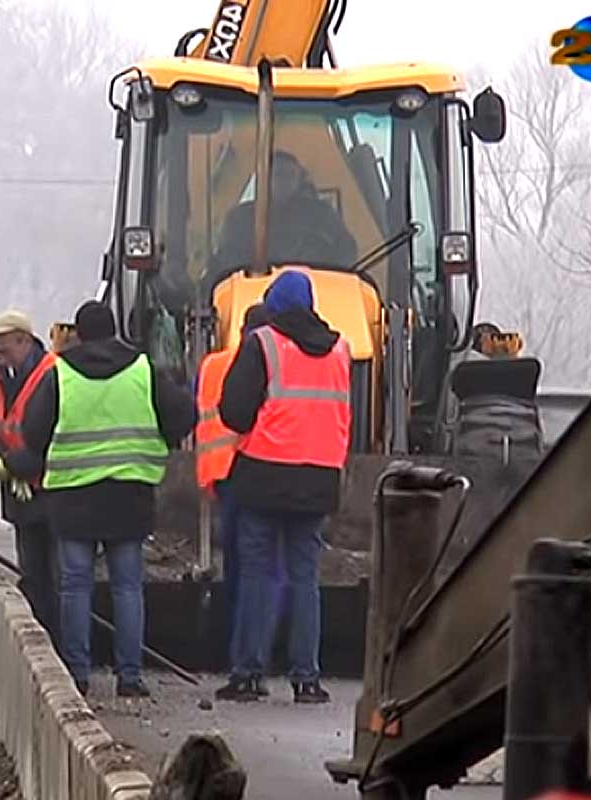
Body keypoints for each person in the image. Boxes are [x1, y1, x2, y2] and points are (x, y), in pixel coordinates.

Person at [16, 301, 197, 698]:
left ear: (78, 333)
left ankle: (77, 674)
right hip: (128, 493)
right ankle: (129, 678)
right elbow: (184, 414)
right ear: (115, 329)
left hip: (73, 495)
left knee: (76, 585)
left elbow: (32, 433)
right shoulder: (144, 369)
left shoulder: (59, 373)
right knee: (128, 587)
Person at [215, 270, 350, 704]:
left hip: (265, 475)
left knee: (257, 573)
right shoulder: (340, 349)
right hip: (318, 477)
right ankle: (307, 677)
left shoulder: (263, 343)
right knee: (304, 577)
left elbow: (234, 412)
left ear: (273, 304)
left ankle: (249, 673)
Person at [0, 310, 62, 641]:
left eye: (3, 349)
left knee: (60, 577)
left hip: (53, 489)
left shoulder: (54, 374)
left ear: (23, 340)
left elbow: (60, 433)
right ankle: (42, 636)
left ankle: (63, 645)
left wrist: (21, 463)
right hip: (19, 494)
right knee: (33, 574)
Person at [194, 303, 281, 691]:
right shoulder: (272, 365)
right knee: (264, 573)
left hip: (220, 474)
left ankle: (238, 656)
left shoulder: (212, 364)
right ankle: (256, 661)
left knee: (238, 571)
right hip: (257, 474)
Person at [211, 151, 358, 281]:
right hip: (255, 289)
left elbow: (346, 249)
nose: (285, 181)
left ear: (298, 180)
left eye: (291, 176)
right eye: (279, 175)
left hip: (316, 287)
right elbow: (228, 258)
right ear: (265, 178)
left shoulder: (320, 214)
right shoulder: (240, 218)